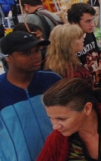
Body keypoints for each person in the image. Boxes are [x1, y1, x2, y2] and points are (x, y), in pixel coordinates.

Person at [0, 31, 61, 160]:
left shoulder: (53, 81)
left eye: (37, 50)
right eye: (27, 53)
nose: (36, 56)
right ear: (8, 57)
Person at [68, 3, 101, 92]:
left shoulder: (89, 33)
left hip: (98, 83)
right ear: (74, 22)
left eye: (92, 20)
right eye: (88, 21)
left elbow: (97, 53)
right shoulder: (69, 42)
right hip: (83, 89)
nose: (92, 25)